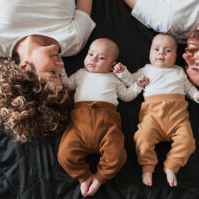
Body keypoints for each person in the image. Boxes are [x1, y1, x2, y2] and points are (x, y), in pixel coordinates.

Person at [0, 0, 96, 142]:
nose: (61, 64)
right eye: (60, 74)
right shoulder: (75, 40)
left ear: (24, 68)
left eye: (52, 73)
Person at [114, 33, 199, 187]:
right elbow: (131, 80)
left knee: (188, 142)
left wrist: (198, 95)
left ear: (175, 55)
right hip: (152, 118)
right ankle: (147, 166)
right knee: (142, 139)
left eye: (167, 51)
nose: (161, 53)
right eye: (156, 49)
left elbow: (189, 88)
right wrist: (122, 72)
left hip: (177, 119)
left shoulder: (179, 71)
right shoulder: (146, 70)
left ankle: (171, 166)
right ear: (150, 52)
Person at [57, 38, 147, 196]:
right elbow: (66, 85)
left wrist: (138, 86)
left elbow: (127, 96)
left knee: (117, 156)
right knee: (65, 154)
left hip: (107, 128)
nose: (93, 59)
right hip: (79, 126)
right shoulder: (80, 74)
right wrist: (61, 69)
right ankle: (84, 177)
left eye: (101, 58)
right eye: (91, 54)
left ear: (112, 64)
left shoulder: (113, 78)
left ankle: (99, 178)